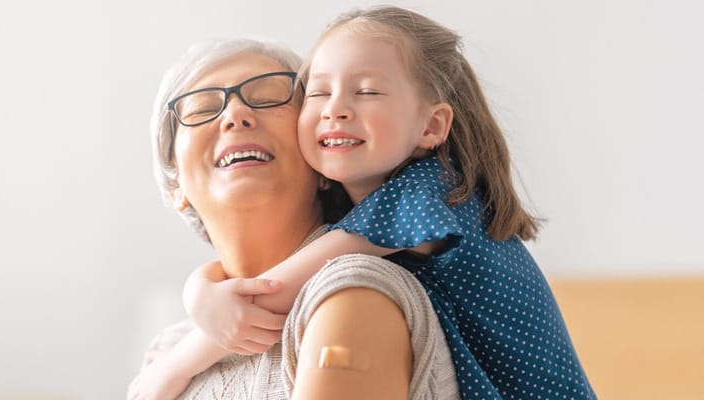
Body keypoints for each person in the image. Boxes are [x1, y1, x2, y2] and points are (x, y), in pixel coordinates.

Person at [175, 6, 595, 399]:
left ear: (431, 126)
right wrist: (199, 289)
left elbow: (274, 291)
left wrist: (176, 364)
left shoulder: (431, 192)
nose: (334, 110)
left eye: (367, 91)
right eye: (318, 93)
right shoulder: (373, 214)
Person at [127, 37, 458, 399]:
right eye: (202, 107)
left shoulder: (353, 292)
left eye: (268, 96)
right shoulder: (171, 343)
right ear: (175, 184)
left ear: (323, 160)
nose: (235, 114)